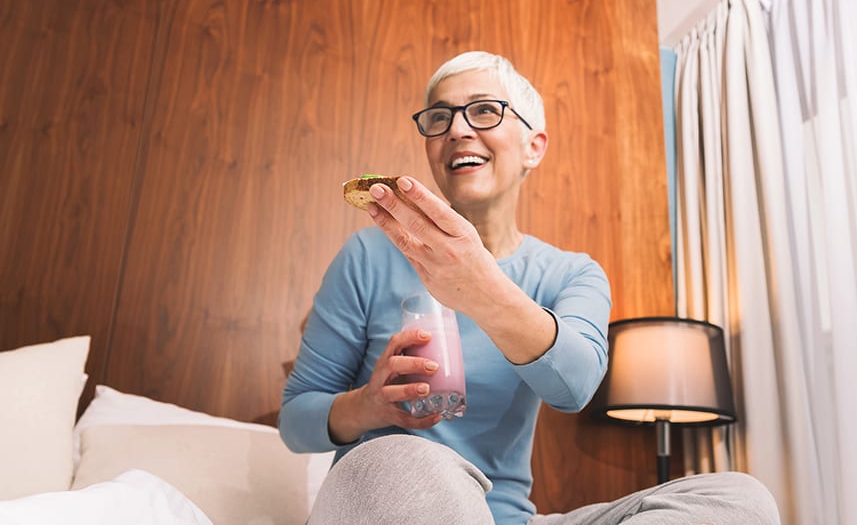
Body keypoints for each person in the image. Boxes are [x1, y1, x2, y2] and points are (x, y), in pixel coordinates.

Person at [278, 51, 779, 525]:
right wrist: (367, 405)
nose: (457, 130)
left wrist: (480, 287)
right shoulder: (368, 256)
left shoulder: (570, 274)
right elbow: (295, 420)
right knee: (408, 458)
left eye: (484, 111)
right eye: (440, 117)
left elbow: (574, 387)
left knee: (738, 500)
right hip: (386, 500)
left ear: (533, 147)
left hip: (507, 517)